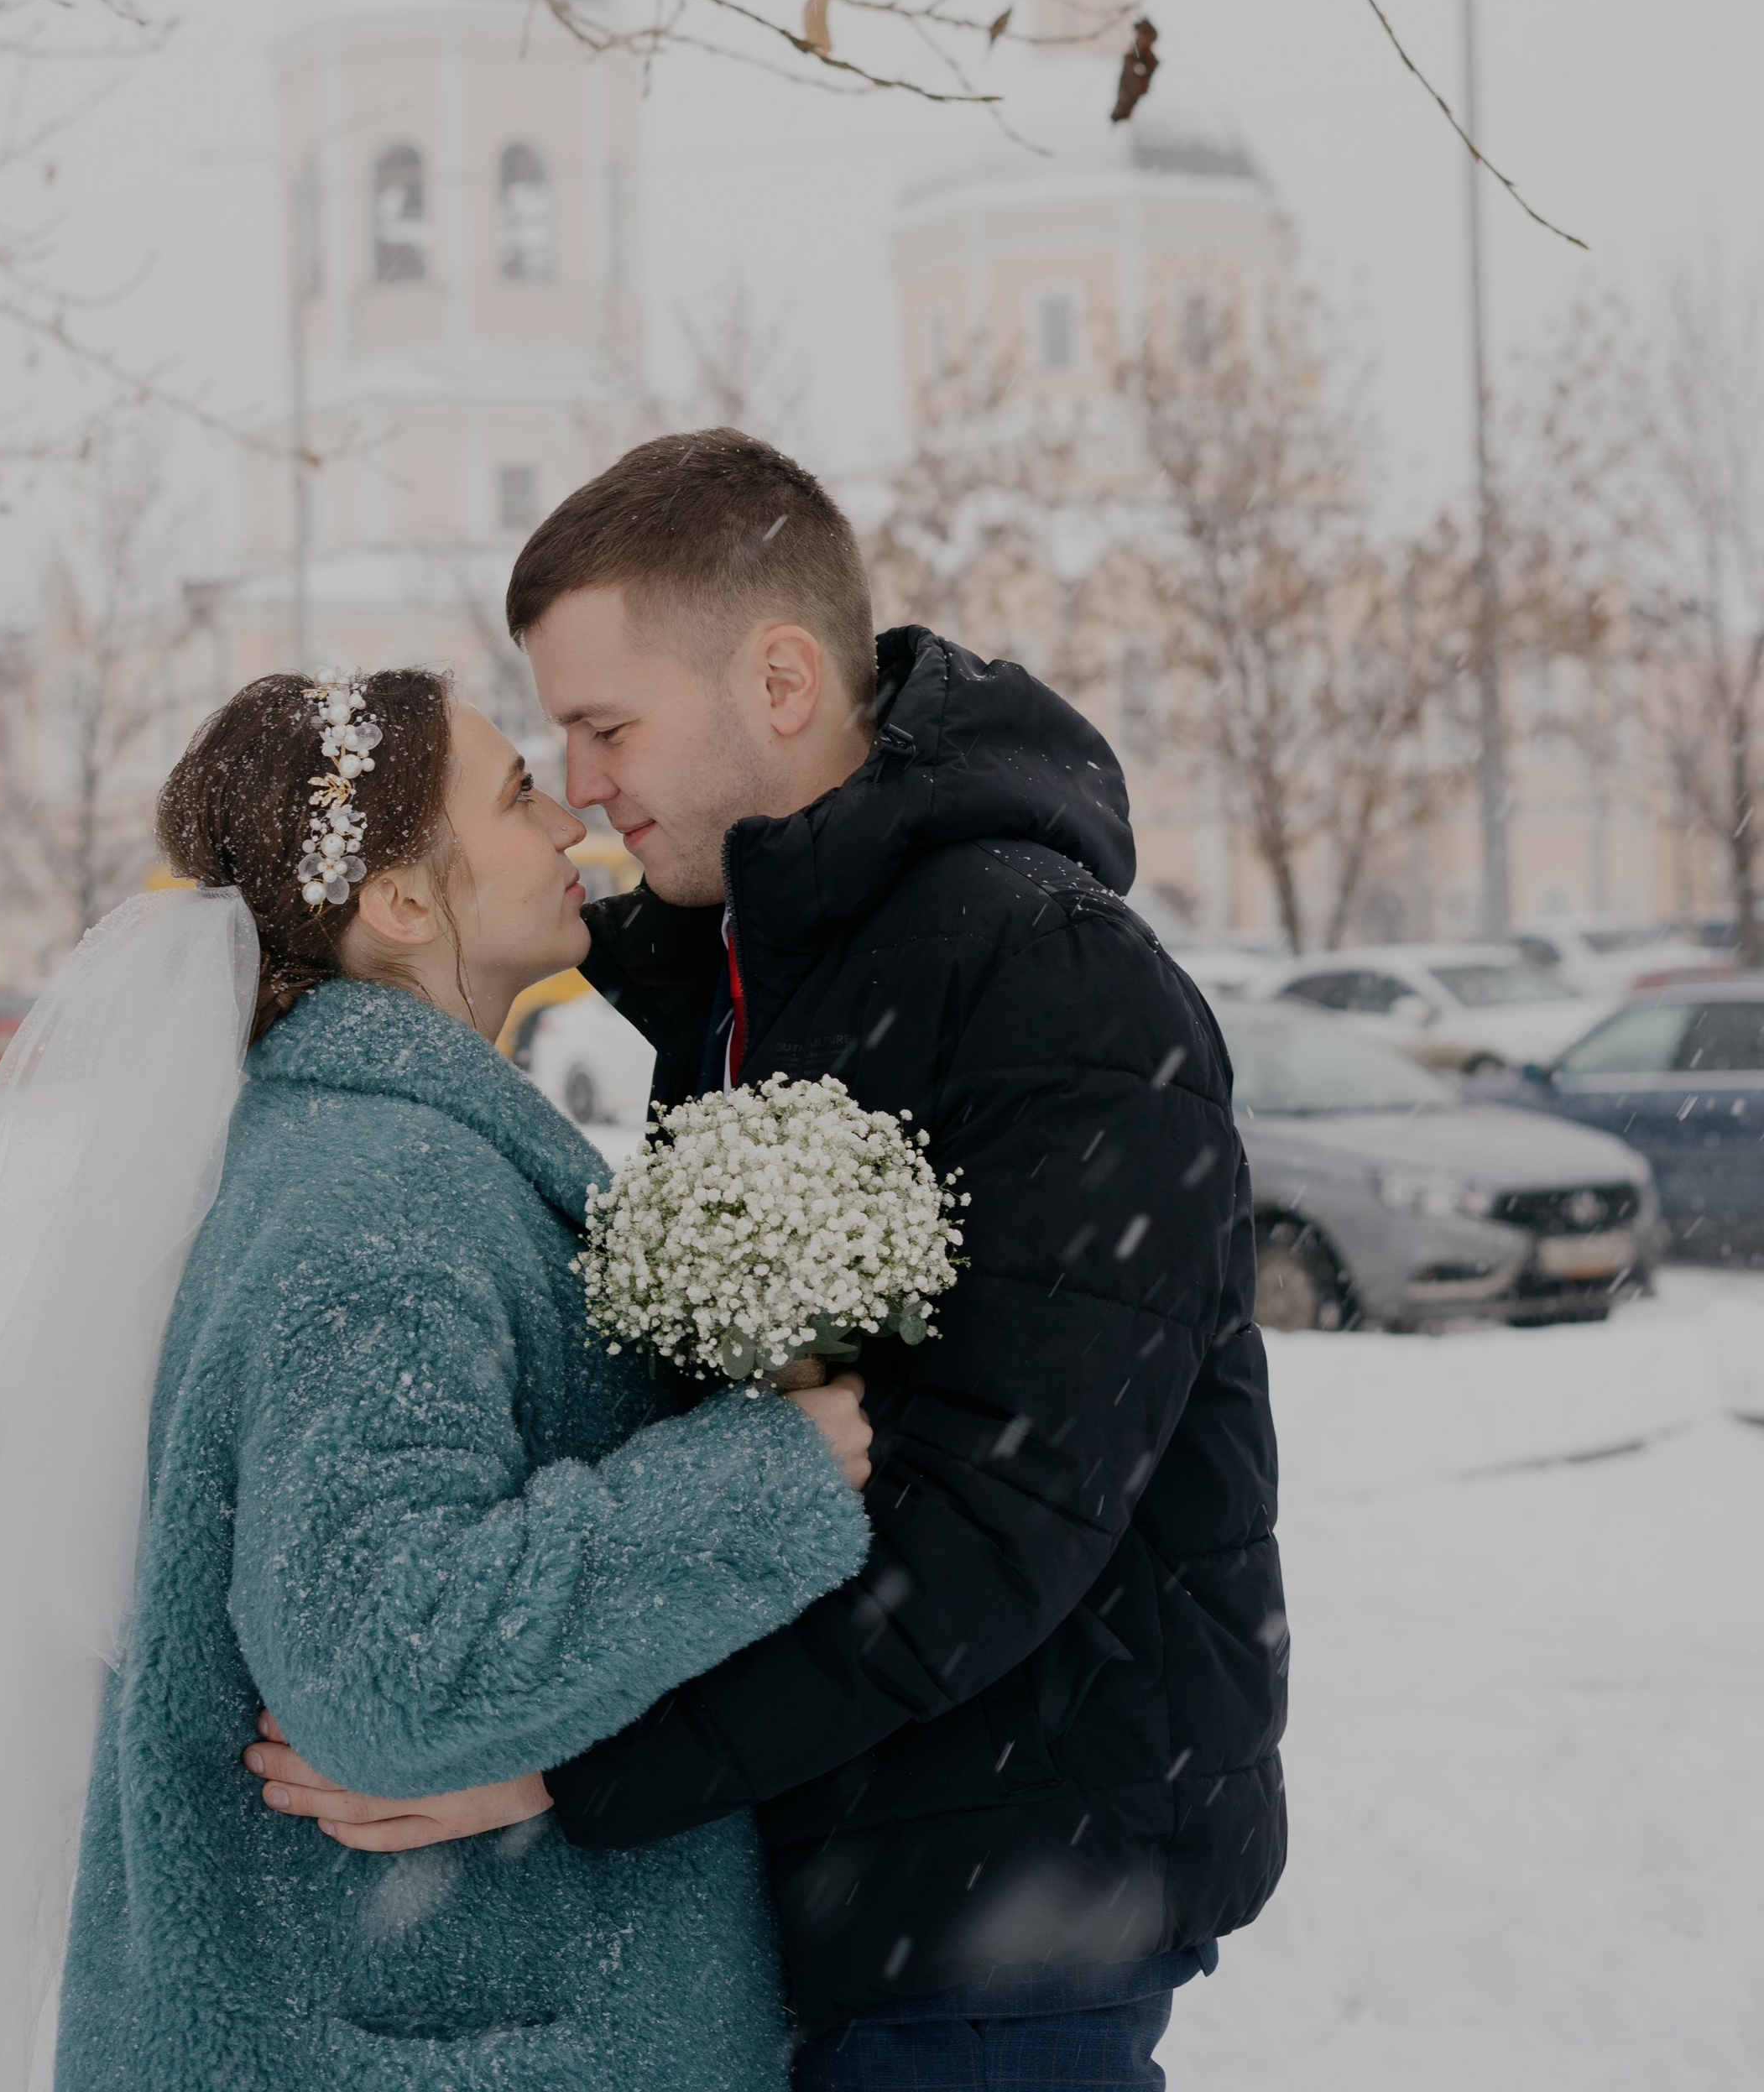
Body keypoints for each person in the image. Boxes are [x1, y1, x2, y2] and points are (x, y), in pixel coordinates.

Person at [250, 433, 1288, 2090]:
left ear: (781, 678)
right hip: (854, 1872)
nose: (578, 783)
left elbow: (992, 1516)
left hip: (1003, 1897)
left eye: (603, 725)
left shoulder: (1047, 978)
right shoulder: (762, 980)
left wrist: (570, 1766)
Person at [0, 665, 874, 2092]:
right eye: (516, 794)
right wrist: (765, 1476)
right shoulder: (381, 1200)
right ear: (400, 900)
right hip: (433, 2036)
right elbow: (386, 1667)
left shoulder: (374, 1157)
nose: (570, 822)